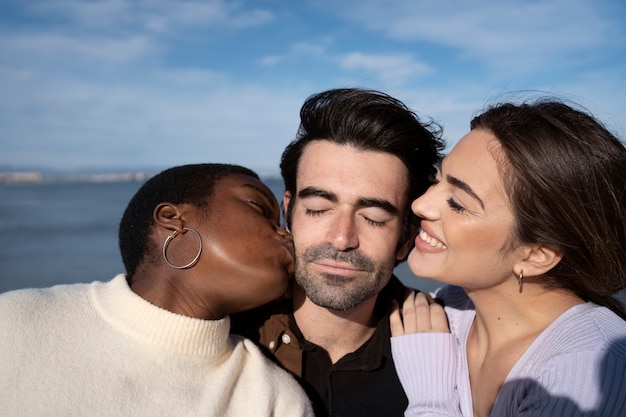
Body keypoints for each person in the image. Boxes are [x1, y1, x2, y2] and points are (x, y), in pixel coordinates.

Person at [0, 163, 314, 417]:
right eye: (258, 208)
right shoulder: (16, 322)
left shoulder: (272, 398)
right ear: (172, 220)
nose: (284, 232)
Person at [390, 99, 626, 416]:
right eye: (437, 179)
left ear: (537, 254)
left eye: (457, 203)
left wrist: (431, 400)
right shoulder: (445, 313)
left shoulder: (586, 368)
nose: (421, 205)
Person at [232, 88, 445, 417]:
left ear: (407, 237)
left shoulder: (448, 356)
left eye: (373, 218)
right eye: (318, 209)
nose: (342, 238)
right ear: (288, 213)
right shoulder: (221, 331)